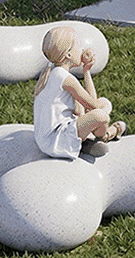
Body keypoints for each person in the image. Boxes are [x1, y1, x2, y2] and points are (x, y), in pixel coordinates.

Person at [33, 25, 126, 159]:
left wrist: (86, 70)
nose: (81, 49)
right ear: (69, 54)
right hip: (56, 140)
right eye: (78, 46)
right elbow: (93, 106)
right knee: (101, 115)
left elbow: (86, 105)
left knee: (103, 103)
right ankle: (106, 135)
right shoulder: (66, 79)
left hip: (49, 136)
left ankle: (88, 139)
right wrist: (86, 70)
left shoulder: (52, 72)